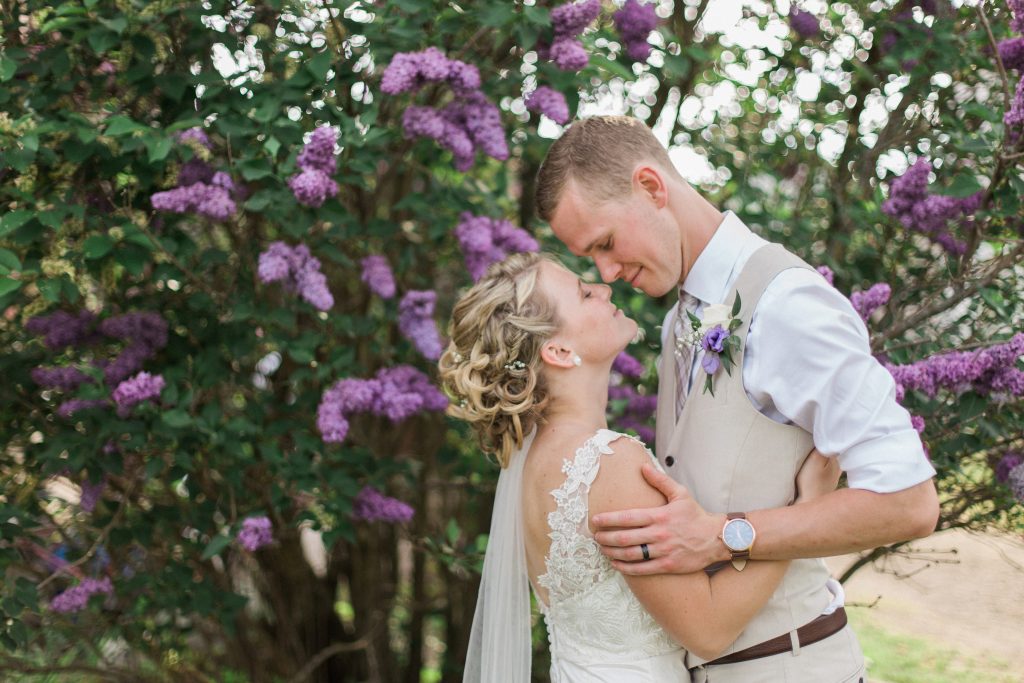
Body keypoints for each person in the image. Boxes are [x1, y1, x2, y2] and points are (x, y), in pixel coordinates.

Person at [535, 115, 940, 682]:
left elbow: (910, 502)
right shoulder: (681, 316)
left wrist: (723, 534)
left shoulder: (788, 305)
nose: (606, 271)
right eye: (590, 257)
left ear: (651, 187)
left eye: (605, 243)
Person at [440, 252, 841, 683]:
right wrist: (805, 507)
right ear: (557, 350)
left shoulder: (532, 462)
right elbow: (708, 630)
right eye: (583, 292)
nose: (604, 289)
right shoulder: (607, 465)